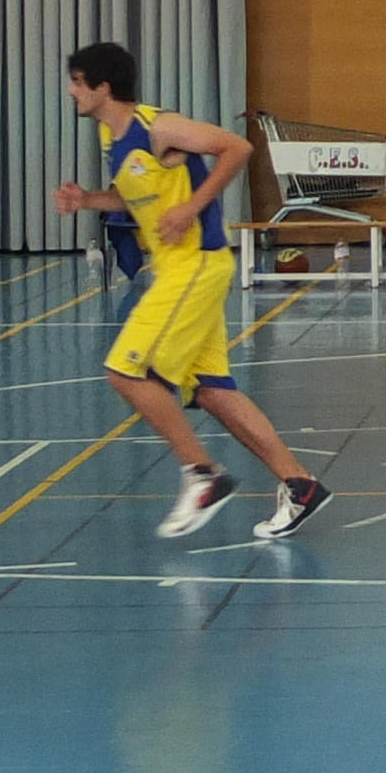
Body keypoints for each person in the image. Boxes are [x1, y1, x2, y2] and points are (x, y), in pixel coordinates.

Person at [56, 42, 331, 538]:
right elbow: (137, 196)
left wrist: (191, 207)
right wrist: (88, 200)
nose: (72, 91)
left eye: (78, 82)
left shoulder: (158, 126)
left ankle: (202, 474)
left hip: (195, 266)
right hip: (179, 270)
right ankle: (301, 485)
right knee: (211, 390)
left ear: (103, 87)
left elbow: (236, 148)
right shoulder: (111, 136)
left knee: (126, 371)